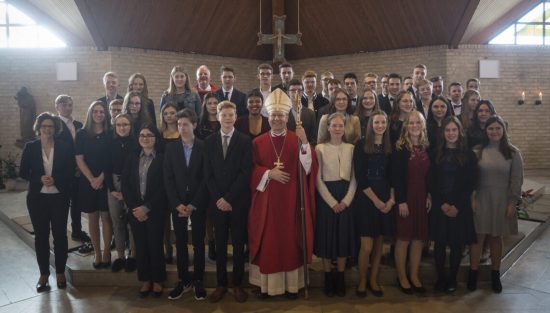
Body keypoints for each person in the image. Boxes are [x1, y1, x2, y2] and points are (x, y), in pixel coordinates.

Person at [248, 88, 318, 299]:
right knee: (270, 240)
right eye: (274, 115)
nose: (277, 118)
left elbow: (308, 168)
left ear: (287, 117)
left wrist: (305, 143)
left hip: (292, 200)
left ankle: (292, 287)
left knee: (290, 240)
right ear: (268, 117)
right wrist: (269, 173)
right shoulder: (257, 142)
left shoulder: (295, 139)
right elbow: (250, 170)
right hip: (268, 200)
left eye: (281, 115)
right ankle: (268, 287)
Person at [20, 112, 75, 292]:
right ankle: (44, 274)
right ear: (38, 128)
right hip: (37, 198)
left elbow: (70, 171)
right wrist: (39, 179)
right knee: (41, 236)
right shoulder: (30, 147)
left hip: (59, 197)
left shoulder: (65, 146)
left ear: (55, 128)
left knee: (60, 235)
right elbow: (23, 172)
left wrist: (55, 179)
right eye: (44, 126)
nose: (47, 129)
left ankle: (60, 272)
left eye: (51, 126)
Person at [468, 115, 523, 293]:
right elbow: (470, 179)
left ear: (503, 130)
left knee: (496, 238)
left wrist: (512, 202)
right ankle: (473, 274)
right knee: (478, 238)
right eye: (491, 128)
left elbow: (516, 180)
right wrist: (472, 198)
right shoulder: (477, 151)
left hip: (502, 200)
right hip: (481, 198)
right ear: (486, 131)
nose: (494, 131)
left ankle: (495, 274)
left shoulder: (513, 153)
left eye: (498, 128)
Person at [204, 101, 252, 303]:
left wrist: (229, 198)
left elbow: (245, 172)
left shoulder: (244, 140)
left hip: (238, 201)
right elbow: (208, 174)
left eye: (231, 115)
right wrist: (219, 199)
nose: (228, 118)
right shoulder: (209, 141)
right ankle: (221, 284)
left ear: (235, 117)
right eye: (224, 115)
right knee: (220, 244)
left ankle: (237, 284)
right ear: (218, 116)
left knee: (239, 244)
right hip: (217, 203)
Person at [429, 116, 477, 293]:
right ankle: (440, 277)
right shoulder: (435, 153)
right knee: (440, 244)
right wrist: (442, 203)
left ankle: (452, 279)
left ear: (459, 132)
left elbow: (471, 182)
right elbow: (431, 181)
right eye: (447, 130)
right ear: (443, 133)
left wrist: (456, 205)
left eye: (454, 130)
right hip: (440, 205)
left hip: (460, 206)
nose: (451, 133)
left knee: (457, 244)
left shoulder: (469, 155)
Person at [164, 109, 208, 301]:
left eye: (186, 124)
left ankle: (198, 280)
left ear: (194, 125)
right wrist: (176, 203)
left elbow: (207, 178)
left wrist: (195, 204)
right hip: (178, 203)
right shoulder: (171, 148)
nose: (182, 127)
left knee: (198, 243)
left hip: (197, 202)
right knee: (180, 242)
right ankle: (183, 280)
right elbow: (168, 178)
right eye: (179, 124)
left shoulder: (203, 146)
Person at [121, 125, 167, 298]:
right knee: (140, 245)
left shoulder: (162, 158)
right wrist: (135, 207)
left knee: (155, 244)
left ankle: (157, 280)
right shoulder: (131, 158)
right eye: (142, 135)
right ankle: (145, 279)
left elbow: (164, 186)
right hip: (135, 210)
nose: (145, 138)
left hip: (155, 209)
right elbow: (125, 184)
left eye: (149, 135)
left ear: (156, 138)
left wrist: (147, 207)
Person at [314, 113, 357, 297]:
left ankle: (340, 278)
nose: (337, 129)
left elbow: (355, 178)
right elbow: (317, 179)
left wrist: (346, 201)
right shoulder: (320, 148)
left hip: (346, 195)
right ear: (328, 127)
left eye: (341, 126)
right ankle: (328, 278)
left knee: (342, 238)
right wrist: (332, 202)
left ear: (344, 128)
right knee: (327, 237)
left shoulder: (351, 148)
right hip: (327, 198)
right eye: (334, 126)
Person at [353, 111, 394, 298]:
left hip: (385, 198)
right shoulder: (361, 145)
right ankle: (362, 280)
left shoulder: (389, 146)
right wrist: (377, 201)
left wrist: (391, 200)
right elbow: (360, 178)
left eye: (383, 122)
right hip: (366, 199)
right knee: (367, 246)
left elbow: (393, 177)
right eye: (376, 122)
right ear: (371, 124)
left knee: (379, 246)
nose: (380, 125)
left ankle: (373, 280)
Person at [392, 111, 431, 295]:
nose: (414, 125)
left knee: (418, 238)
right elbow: (396, 178)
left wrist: (429, 195)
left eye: (418, 122)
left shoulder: (427, 146)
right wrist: (401, 201)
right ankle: (402, 277)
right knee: (403, 238)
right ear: (406, 126)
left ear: (422, 125)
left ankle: (414, 275)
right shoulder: (400, 147)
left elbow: (431, 175)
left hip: (422, 195)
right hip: (406, 196)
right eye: (411, 123)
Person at [75, 101, 112, 269]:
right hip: (88, 182)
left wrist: (101, 178)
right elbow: (79, 158)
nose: (99, 114)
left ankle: (106, 252)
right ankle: (97, 252)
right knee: (92, 217)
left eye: (102, 112)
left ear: (106, 114)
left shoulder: (110, 133)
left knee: (106, 217)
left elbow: (112, 159)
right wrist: (91, 179)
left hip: (105, 180)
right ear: (90, 113)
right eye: (96, 111)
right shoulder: (82, 133)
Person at [54, 95, 89, 243]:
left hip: (79, 171)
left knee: (76, 203)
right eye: (63, 105)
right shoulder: (55, 125)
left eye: (69, 105)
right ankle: (59, 233)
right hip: (63, 171)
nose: (67, 108)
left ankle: (76, 231)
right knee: (61, 204)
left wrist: (81, 166)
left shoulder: (80, 124)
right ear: (57, 107)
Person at [105, 114, 138, 272]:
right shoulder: (110, 143)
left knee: (132, 222)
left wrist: (127, 192)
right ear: (115, 126)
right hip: (114, 183)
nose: (122, 128)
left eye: (125, 124)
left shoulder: (136, 143)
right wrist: (112, 190)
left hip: (131, 185)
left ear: (130, 126)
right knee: (117, 222)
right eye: (119, 125)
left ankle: (132, 255)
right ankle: (119, 255)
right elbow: (107, 168)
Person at [287, 79, 318, 145]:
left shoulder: (310, 113)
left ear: (302, 92)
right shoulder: (283, 113)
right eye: (293, 90)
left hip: (305, 151)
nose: (296, 93)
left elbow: (313, 138)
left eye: (299, 90)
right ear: (288, 93)